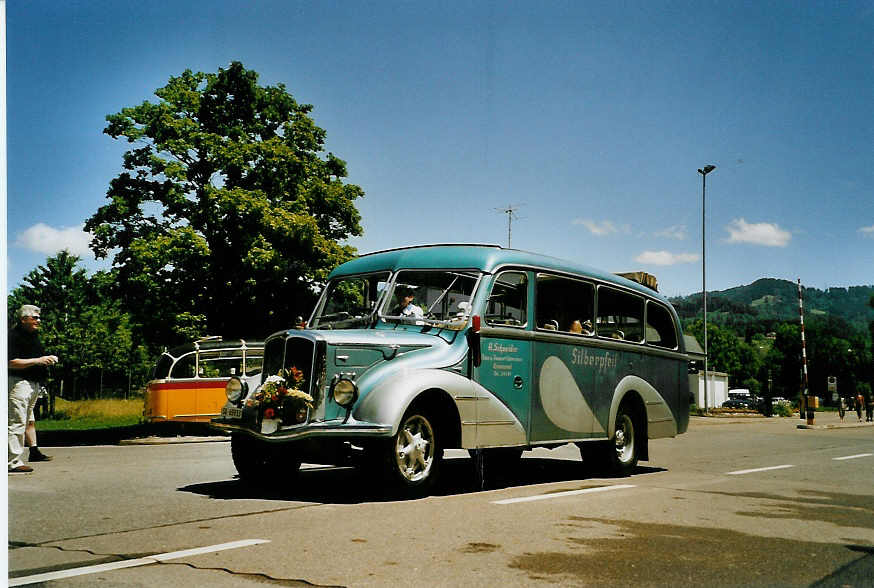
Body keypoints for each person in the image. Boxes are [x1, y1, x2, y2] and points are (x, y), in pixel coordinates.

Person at [8, 304, 57, 473]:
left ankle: (32, 451)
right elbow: (10, 362)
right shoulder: (13, 336)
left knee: (27, 421)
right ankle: (12, 462)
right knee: (16, 422)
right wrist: (38, 360)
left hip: (33, 384)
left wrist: (45, 360)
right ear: (23, 319)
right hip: (19, 383)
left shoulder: (33, 337)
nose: (38, 320)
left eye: (39, 317)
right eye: (34, 318)